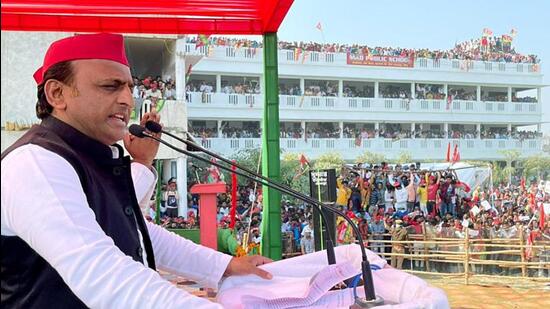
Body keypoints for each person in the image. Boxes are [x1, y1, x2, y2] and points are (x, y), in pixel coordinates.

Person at [1, 33, 272, 308]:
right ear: (57, 94)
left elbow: (137, 232)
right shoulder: (36, 162)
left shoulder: (91, 156)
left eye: (130, 87)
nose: (127, 100)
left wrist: (226, 265)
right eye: (110, 86)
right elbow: (103, 274)